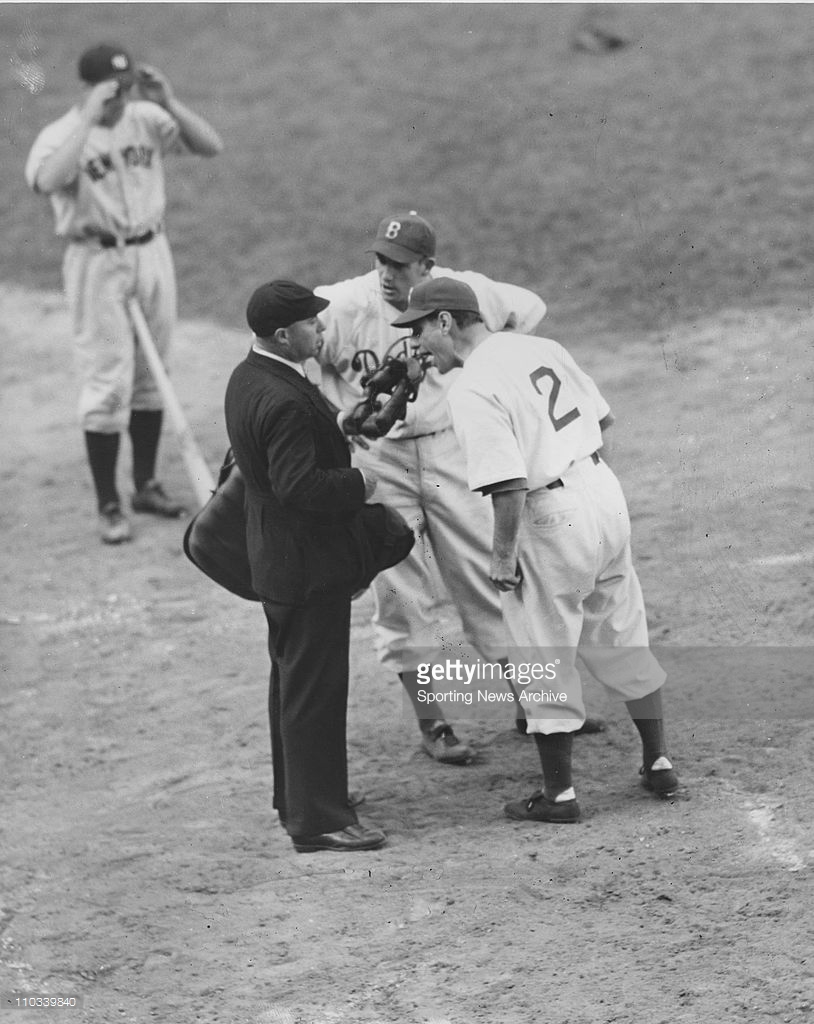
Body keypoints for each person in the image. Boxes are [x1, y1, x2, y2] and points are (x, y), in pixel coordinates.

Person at [314, 211, 603, 763]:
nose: (386, 274)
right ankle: (435, 725)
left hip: (450, 450)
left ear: (427, 264)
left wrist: (482, 364)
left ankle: (534, 704)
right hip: (379, 463)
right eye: (380, 260)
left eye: (399, 265)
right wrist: (334, 410)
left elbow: (530, 309)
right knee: (400, 596)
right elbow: (297, 336)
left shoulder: (461, 294)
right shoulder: (347, 306)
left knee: (490, 577)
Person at [392, 277, 679, 823]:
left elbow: (507, 485)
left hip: (549, 517)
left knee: (541, 653)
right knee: (622, 630)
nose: (419, 343)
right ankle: (658, 763)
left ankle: (560, 797)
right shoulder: (540, 347)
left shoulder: (472, 387)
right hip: (604, 493)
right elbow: (602, 420)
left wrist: (502, 557)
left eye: (421, 328)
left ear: (447, 322)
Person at [225, 279, 413, 853]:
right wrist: (362, 481)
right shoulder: (281, 396)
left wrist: (346, 424)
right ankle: (319, 821)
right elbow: (299, 486)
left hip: (279, 562)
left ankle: (300, 799)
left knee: (294, 686)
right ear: (283, 335)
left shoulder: (251, 376)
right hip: (306, 569)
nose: (322, 329)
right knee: (315, 691)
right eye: (312, 323)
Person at [24, 42, 223, 544]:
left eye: (127, 88)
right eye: (113, 90)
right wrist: (88, 118)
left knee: (152, 370)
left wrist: (169, 101)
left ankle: (146, 486)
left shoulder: (146, 118)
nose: (123, 98)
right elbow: (47, 181)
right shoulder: (60, 137)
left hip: (152, 252)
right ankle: (108, 504)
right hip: (96, 261)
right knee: (106, 381)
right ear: (90, 89)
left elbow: (210, 145)